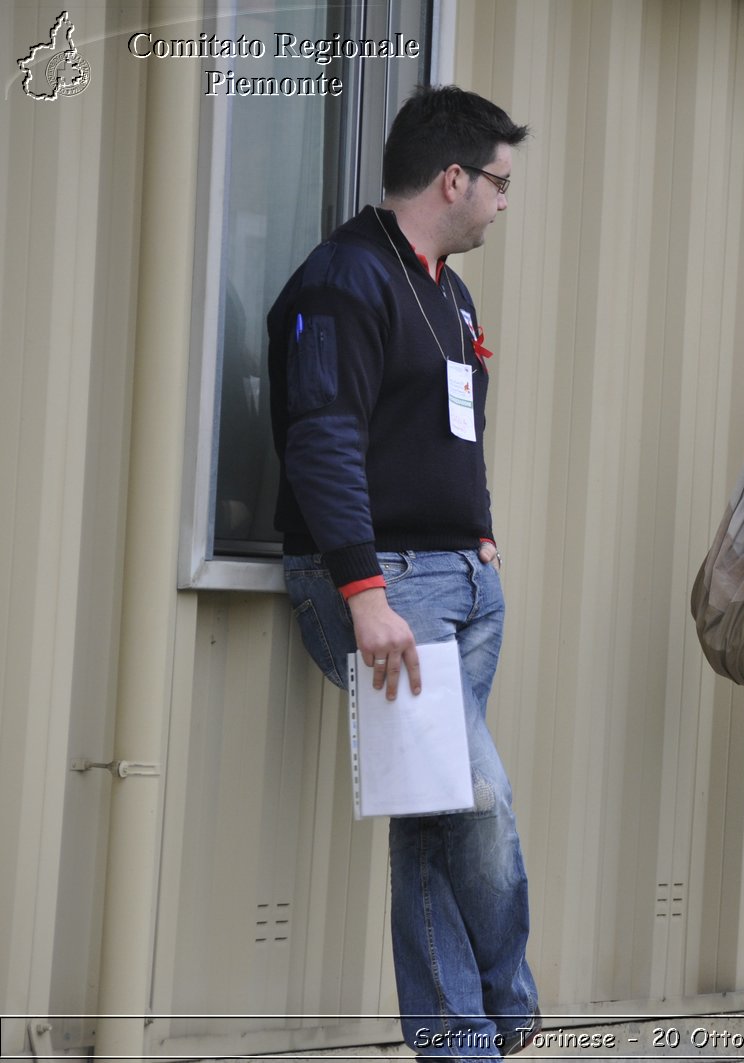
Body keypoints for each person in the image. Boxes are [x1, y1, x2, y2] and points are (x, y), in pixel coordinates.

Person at [267, 85, 538, 1061]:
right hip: (390, 585)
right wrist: (364, 592)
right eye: (499, 182)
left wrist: (483, 530)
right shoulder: (346, 279)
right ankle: (509, 1000)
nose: (506, 202)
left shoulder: (448, 291)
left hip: (463, 581)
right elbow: (323, 438)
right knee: (474, 791)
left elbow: (444, 429)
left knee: (432, 820)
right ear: (453, 178)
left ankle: (454, 1045)